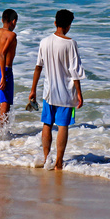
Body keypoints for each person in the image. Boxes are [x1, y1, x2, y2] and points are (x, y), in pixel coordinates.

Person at [28, 9, 84, 170]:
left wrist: (33, 90)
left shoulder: (44, 42)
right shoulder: (70, 43)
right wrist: (79, 94)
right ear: (68, 25)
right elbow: (75, 72)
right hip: (66, 94)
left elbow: (38, 67)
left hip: (48, 92)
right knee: (62, 126)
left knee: (47, 124)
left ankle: (47, 159)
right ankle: (59, 162)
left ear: (55, 23)